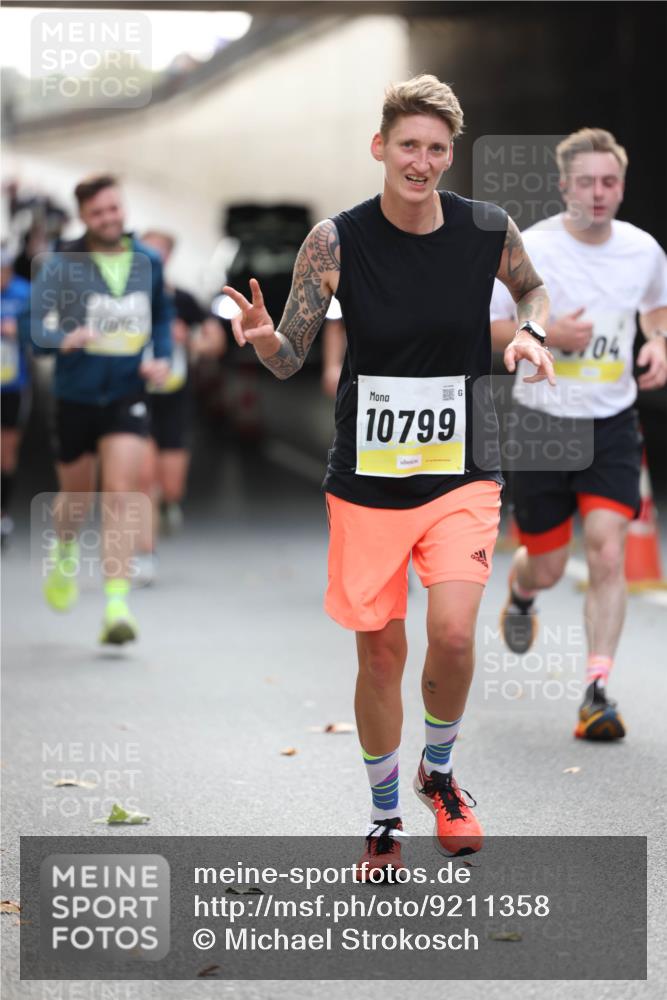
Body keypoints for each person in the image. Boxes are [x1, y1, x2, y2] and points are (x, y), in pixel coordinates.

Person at [224, 75, 553, 877]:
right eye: (408, 145)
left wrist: (531, 333)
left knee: (448, 632)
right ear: (380, 148)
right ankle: (382, 819)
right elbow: (290, 358)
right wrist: (265, 337)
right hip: (368, 480)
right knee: (380, 656)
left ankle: (438, 774)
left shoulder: (486, 228)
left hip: (462, 469)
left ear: (450, 156)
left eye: (437, 149)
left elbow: (531, 286)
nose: (422, 161)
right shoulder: (335, 242)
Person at [490, 128, 667, 741]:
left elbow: (654, 306)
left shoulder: (644, 250)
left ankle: (596, 692)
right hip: (541, 424)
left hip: (612, 421)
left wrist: (659, 343)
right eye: (586, 182)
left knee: (609, 550)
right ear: (564, 185)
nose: (598, 193)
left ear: (622, 186)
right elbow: (487, 326)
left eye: (609, 182)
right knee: (546, 567)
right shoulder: (529, 248)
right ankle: (521, 592)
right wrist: (544, 337)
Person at [29, 174, 172, 644]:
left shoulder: (147, 260)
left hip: (127, 394)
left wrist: (163, 358)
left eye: (114, 209)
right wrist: (62, 339)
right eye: (98, 213)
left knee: (119, 493)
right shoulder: (62, 263)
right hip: (76, 396)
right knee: (76, 497)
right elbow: (37, 331)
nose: (109, 219)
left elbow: (163, 318)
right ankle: (65, 549)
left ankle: (116, 605)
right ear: (84, 218)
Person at [135, 230, 226, 585]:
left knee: (170, 486)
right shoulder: (126, 299)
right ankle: (146, 553)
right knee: (144, 480)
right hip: (136, 398)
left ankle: (170, 505)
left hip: (174, 400)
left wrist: (188, 338)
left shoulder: (184, 300)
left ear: (167, 260)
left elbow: (215, 342)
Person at [1, 247, 32, 545]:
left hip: (11, 386)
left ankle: (3, 514)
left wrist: (19, 332)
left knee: (6, 451)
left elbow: (44, 332)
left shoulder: (24, 293)